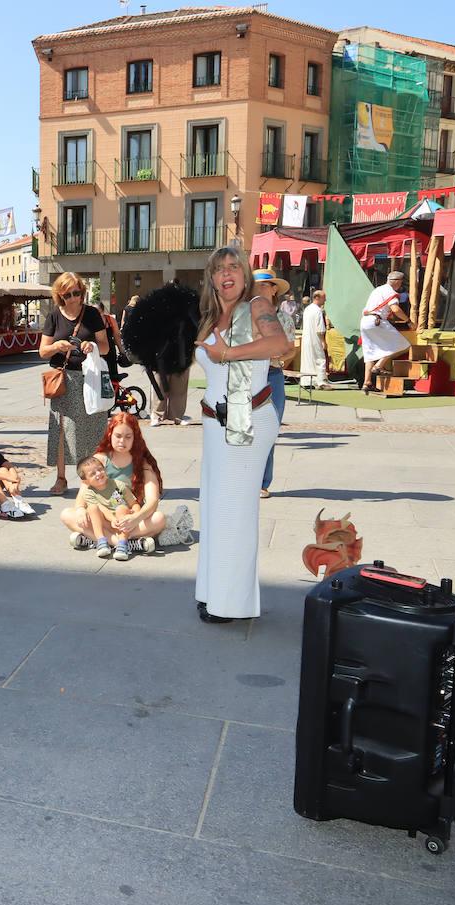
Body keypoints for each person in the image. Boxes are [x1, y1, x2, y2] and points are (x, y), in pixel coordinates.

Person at [193, 245, 292, 624]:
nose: (227, 273)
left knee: (235, 511)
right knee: (216, 508)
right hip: (215, 422)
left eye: (234, 266)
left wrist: (228, 355)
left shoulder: (256, 306)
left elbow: (281, 344)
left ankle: (231, 604)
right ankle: (212, 591)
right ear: (212, 277)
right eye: (220, 268)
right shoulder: (210, 315)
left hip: (246, 420)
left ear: (244, 273)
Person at [38, 272, 110, 494]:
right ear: (60, 295)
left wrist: (93, 347)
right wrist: (57, 347)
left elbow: (106, 347)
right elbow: (42, 351)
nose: (72, 298)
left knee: (94, 427)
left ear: (82, 292)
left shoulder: (92, 314)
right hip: (64, 378)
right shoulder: (53, 317)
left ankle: (94, 477)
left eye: (76, 293)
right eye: (67, 294)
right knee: (62, 429)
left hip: (89, 378)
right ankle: (61, 478)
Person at [59, 412, 168, 550]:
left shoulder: (144, 464)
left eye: (128, 437)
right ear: (110, 435)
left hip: (128, 519)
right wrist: (80, 510)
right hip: (102, 518)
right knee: (67, 514)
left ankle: (98, 540)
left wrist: (136, 518)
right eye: (118, 436)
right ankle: (122, 543)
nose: (122, 441)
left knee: (159, 519)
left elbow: (153, 501)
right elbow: (82, 496)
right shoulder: (100, 459)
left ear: (135, 438)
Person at [254, 269, 297, 498]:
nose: (259, 290)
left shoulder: (283, 318)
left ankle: (262, 481)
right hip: (247, 377)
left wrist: (277, 358)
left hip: (272, 375)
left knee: (268, 430)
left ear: (274, 290)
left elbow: (290, 350)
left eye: (264, 285)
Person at [72, 456, 151, 561]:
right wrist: (112, 520)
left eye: (100, 469)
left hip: (124, 522)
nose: (98, 474)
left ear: (104, 469)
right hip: (106, 522)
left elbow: (134, 504)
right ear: (86, 481)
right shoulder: (89, 493)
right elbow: (101, 510)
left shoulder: (118, 485)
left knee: (121, 508)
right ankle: (101, 542)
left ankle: (122, 545)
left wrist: (135, 516)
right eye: (92, 474)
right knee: (91, 509)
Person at [360, 269, 412, 394]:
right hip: (377, 322)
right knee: (403, 345)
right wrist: (408, 321)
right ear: (398, 282)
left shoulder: (377, 289)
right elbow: (395, 309)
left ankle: (367, 382)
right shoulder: (390, 291)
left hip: (365, 321)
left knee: (369, 353)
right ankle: (379, 366)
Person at [301, 289, 331, 389]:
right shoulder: (317, 310)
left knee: (308, 359)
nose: (325, 300)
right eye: (323, 298)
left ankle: (307, 381)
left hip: (307, 338)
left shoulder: (307, 309)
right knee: (320, 359)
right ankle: (321, 381)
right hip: (315, 339)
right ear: (317, 297)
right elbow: (320, 329)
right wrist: (323, 341)